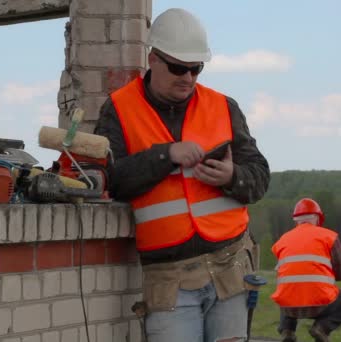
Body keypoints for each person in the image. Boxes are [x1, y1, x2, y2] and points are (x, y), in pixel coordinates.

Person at [95, 8, 270, 342]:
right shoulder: (119, 109)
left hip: (230, 269)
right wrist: (166, 155)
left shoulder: (223, 107)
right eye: (178, 67)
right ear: (153, 59)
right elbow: (111, 180)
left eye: (196, 69)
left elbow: (260, 176)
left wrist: (232, 176)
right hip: (169, 279)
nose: (187, 77)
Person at [271, 198, 341, 342]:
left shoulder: (282, 240)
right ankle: (321, 328)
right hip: (320, 304)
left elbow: (287, 273)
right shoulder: (329, 236)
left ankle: (287, 330)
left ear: (296, 220)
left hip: (289, 307)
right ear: (318, 218)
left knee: (288, 289)